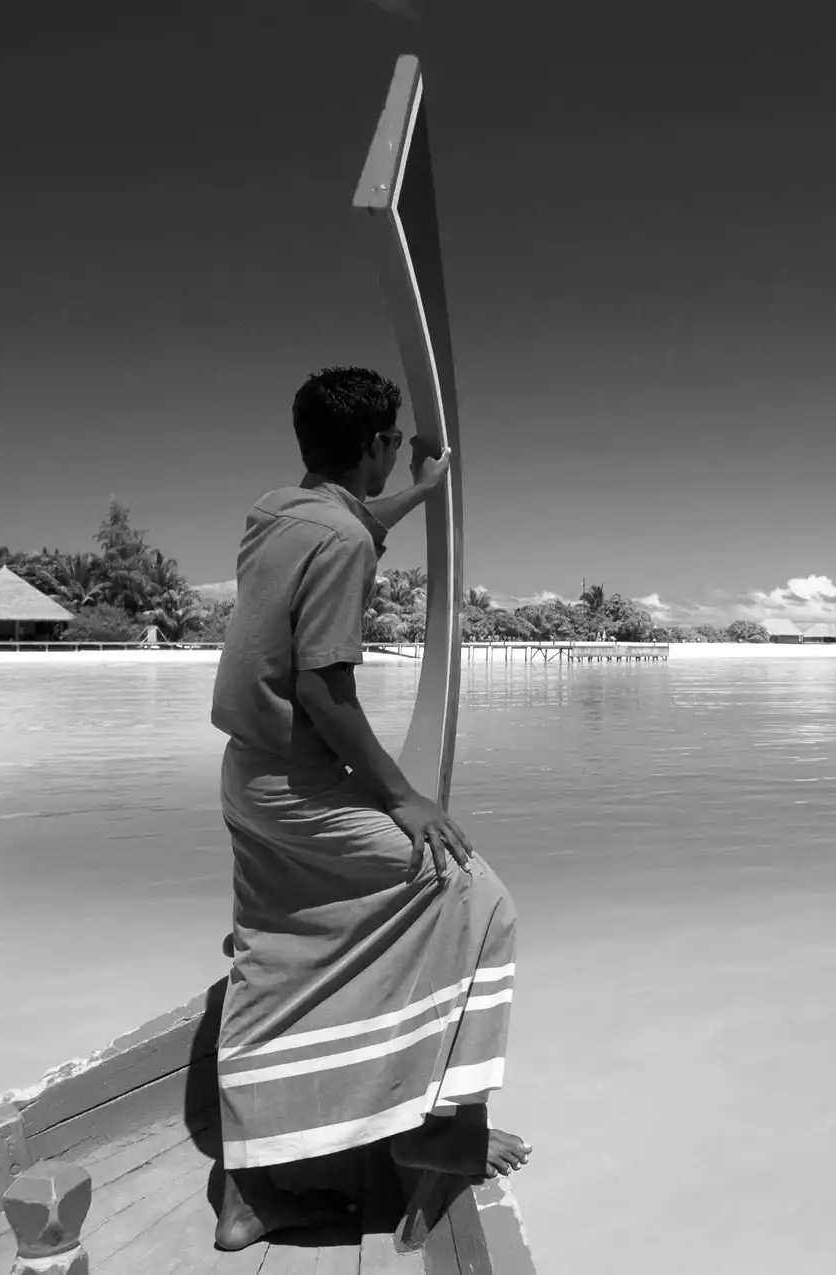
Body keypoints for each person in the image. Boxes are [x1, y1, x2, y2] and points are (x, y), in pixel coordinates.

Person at [207, 366, 530, 1251]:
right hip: (304, 786)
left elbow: (353, 523)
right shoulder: (339, 541)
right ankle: (437, 1128)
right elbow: (323, 686)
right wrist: (402, 795)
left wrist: (421, 494)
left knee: (279, 950)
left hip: (248, 776)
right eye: (394, 440)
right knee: (478, 900)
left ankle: (249, 1191)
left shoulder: (281, 512)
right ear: (377, 444)